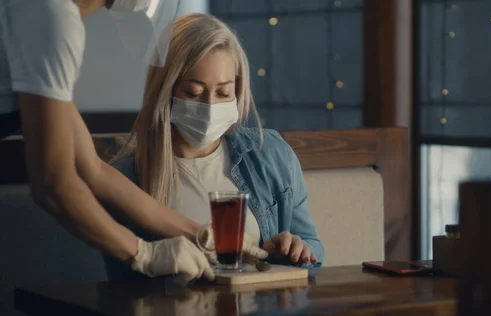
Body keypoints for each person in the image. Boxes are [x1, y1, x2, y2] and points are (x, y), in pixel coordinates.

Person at [0, 0, 265, 282]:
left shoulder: (42, 13)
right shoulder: (51, 18)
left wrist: (202, 234)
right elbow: (55, 186)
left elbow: (91, 168)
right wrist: (143, 254)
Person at [103, 13, 324, 280]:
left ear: (238, 91)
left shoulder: (271, 156)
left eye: (223, 93)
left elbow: (314, 251)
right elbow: (121, 280)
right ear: (165, 91)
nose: (209, 107)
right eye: (194, 93)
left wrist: (295, 252)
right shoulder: (125, 179)